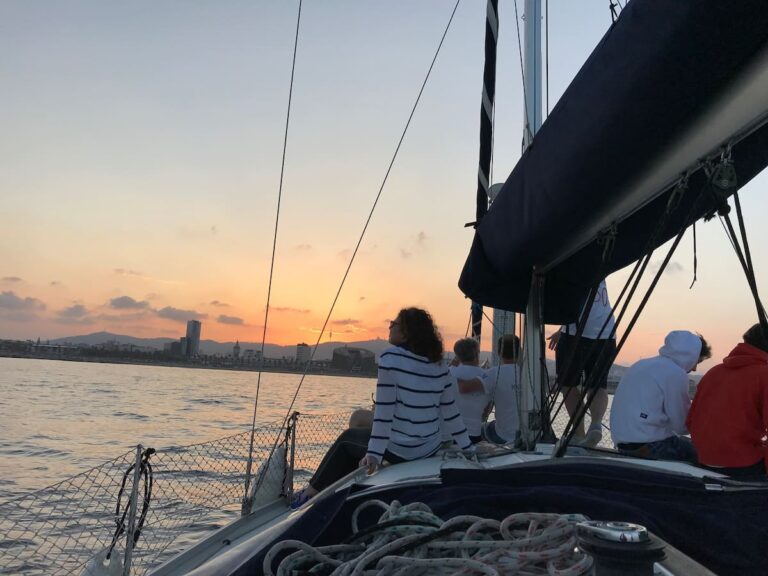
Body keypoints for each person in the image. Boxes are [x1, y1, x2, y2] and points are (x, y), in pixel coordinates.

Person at [292, 307, 473, 507]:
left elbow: (384, 413)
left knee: (347, 440)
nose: (389, 326)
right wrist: (468, 448)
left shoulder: (391, 358)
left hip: (402, 450)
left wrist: (375, 455)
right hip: (429, 448)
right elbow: (451, 413)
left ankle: (309, 494)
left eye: (394, 323)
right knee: (361, 433)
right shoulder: (440, 366)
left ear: (406, 332)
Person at [610, 330, 711, 464]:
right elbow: (681, 426)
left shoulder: (641, 364)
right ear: (690, 356)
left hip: (624, 445)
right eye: (697, 362)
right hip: (650, 446)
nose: (695, 369)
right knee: (707, 454)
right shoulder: (675, 373)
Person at [687, 323, 768, 479]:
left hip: (704, 458)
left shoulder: (714, 372)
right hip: (742, 464)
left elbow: (691, 420)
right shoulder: (764, 375)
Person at [547, 280, 616, 447]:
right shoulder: (602, 263)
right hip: (606, 331)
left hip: (575, 331)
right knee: (598, 386)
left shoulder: (576, 264)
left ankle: (579, 435)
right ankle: (596, 425)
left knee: (568, 385)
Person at [481, 334, 522, 445]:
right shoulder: (529, 375)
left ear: (499, 352)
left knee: (480, 428)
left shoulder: (493, 373)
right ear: (519, 352)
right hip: (526, 436)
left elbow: (485, 408)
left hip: (502, 436)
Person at [450, 338, 491, 443]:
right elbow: (487, 410)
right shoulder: (486, 376)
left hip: (450, 434)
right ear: (477, 353)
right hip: (474, 434)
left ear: (457, 355)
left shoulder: (449, 373)